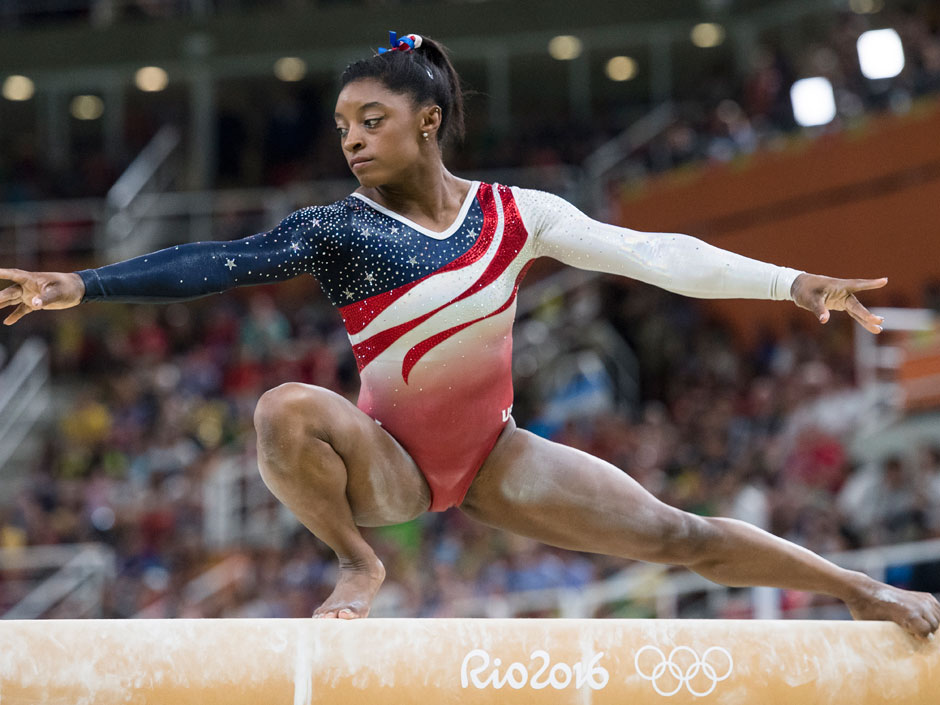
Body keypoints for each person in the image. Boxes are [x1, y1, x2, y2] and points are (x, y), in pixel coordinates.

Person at [2, 32, 938, 637]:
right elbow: (221, 260)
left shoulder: (513, 214)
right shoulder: (340, 228)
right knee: (285, 407)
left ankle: (862, 590)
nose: (353, 142)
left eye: (373, 121)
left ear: (431, 120)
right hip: (389, 462)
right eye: (341, 128)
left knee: (677, 531)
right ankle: (356, 559)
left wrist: (790, 281)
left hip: (496, 457)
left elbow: (650, 254)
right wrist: (80, 283)